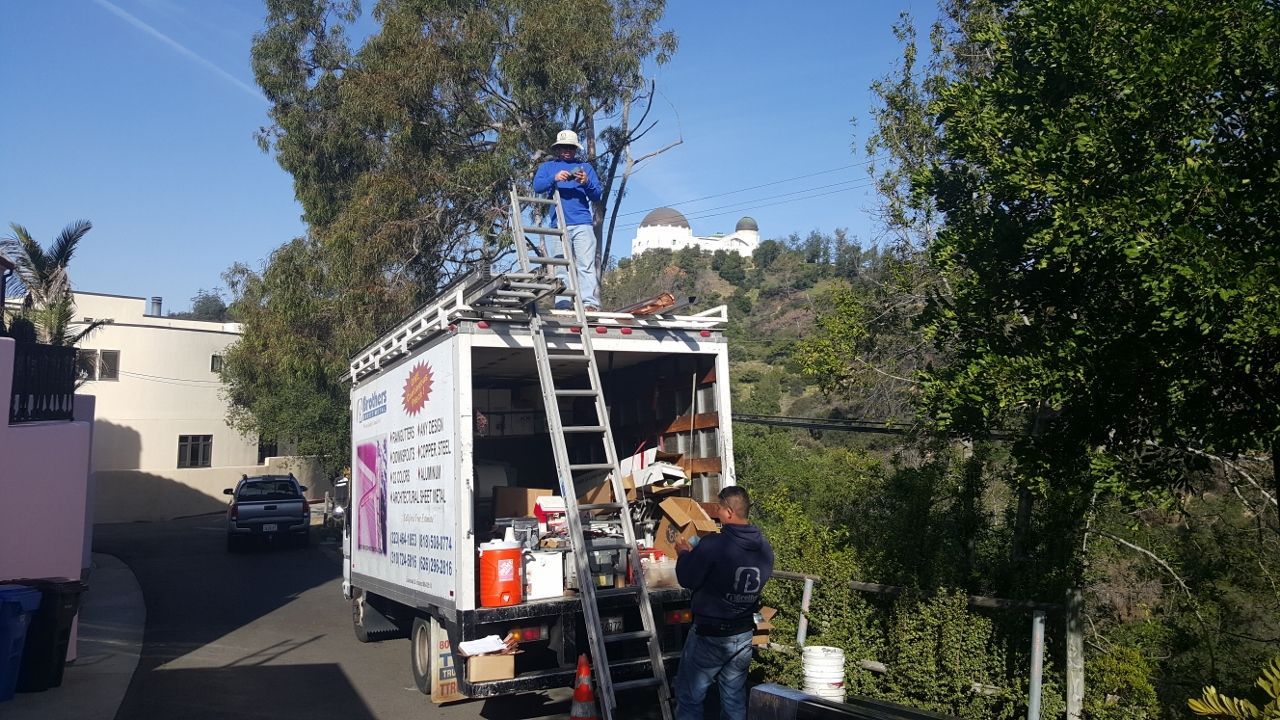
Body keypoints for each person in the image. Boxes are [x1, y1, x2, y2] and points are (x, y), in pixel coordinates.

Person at [672, 486, 774, 720]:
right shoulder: (765, 548)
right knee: (733, 699)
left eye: (718, 508)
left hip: (710, 634)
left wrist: (684, 554)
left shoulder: (714, 545)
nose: (716, 512)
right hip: (742, 634)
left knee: (690, 698)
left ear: (729, 512)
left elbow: (687, 578)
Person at [532, 129, 603, 311]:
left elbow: (597, 195)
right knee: (562, 268)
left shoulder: (585, 168)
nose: (567, 150)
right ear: (558, 148)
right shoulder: (547, 167)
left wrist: (585, 181)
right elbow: (537, 186)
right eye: (563, 147)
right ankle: (563, 304)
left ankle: (589, 304)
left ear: (575, 149)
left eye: (571, 147)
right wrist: (554, 178)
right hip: (559, 225)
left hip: (582, 223)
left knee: (585, 265)